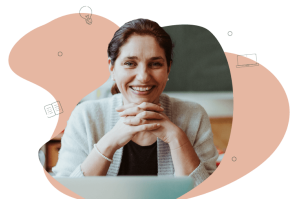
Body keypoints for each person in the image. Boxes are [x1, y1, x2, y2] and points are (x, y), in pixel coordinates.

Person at [52, 18, 219, 187]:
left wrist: (177, 138)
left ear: (168, 68)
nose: (143, 76)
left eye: (155, 64)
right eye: (130, 63)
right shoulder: (85, 117)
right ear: (112, 68)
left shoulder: (193, 116)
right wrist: (110, 142)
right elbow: (67, 190)